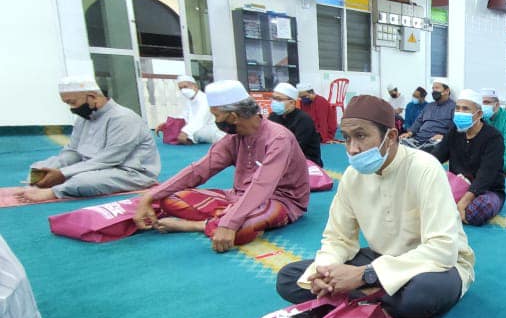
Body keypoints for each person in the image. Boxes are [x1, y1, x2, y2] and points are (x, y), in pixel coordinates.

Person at [274, 95, 474, 318]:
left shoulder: (424, 167)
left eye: (361, 136)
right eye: (346, 138)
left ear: (390, 137)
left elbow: (443, 249)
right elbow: (338, 237)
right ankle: (393, 311)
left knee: (421, 295)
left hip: (435, 266)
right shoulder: (352, 176)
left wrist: (363, 276)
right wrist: (326, 270)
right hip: (381, 259)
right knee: (290, 277)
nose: (352, 148)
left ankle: (367, 304)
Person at [132, 81, 309, 253]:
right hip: (237, 196)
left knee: (241, 229)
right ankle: (226, 217)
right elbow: (199, 170)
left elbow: (262, 185)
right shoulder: (234, 138)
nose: (215, 121)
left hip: (280, 200)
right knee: (169, 199)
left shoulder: (278, 138)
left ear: (233, 117)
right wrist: (152, 195)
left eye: (216, 115)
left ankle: (200, 224)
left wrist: (229, 224)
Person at [18, 75, 160, 203]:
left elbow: (109, 159)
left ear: (93, 96)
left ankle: (54, 191)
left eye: (72, 102)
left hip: (128, 173)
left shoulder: (123, 118)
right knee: (40, 166)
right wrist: (52, 168)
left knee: (82, 181)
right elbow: (73, 151)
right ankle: (54, 181)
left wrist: (62, 174)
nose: (71, 108)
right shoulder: (84, 118)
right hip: (92, 167)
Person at [432, 90, 506, 226]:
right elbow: (436, 157)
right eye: (458, 108)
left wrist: (463, 203)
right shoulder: (454, 131)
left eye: (465, 109)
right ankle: (451, 205)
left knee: (478, 211)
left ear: (478, 114)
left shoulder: (493, 137)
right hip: (457, 185)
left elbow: (486, 175)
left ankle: (453, 206)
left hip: (486, 190)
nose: (460, 112)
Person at [268, 82, 323, 167]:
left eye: (278, 99)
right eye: (273, 98)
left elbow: (296, 148)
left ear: (292, 103)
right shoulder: (273, 117)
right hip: (280, 158)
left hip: (306, 162)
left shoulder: (304, 120)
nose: (274, 102)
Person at [158, 76, 223, 145]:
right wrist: (167, 124)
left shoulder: (205, 99)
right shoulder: (189, 101)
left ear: (195, 86)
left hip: (210, 128)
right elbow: (183, 117)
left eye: (185, 87)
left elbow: (200, 119)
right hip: (195, 128)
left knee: (199, 133)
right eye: (180, 88)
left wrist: (186, 131)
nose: (183, 90)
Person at [400, 78, 455, 152]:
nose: (434, 91)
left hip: (436, 142)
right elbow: (418, 122)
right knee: (399, 146)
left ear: (447, 91)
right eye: (433, 88)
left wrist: (444, 137)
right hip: (418, 139)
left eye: (437, 88)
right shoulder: (429, 106)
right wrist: (409, 133)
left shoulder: (454, 107)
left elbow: (456, 128)